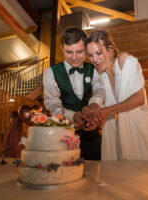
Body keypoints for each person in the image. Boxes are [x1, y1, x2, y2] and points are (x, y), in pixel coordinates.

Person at [84, 30, 148, 162]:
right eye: (90, 55)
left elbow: (139, 97)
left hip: (142, 130)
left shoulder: (125, 61)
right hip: (120, 137)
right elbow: (99, 99)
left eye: (99, 53)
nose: (94, 59)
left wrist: (106, 111)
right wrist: (94, 118)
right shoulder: (102, 77)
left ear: (110, 49)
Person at [43, 27, 105, 160]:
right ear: (61, 48)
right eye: (69, 52)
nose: (75, 57)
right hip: (63, 138)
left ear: (86, 49)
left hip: (92, 137)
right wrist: (72, 116)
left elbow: (99, 89)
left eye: (80, 52)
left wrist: (95, 105)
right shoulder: (51, 72)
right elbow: (52, 104)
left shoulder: (93, 69)